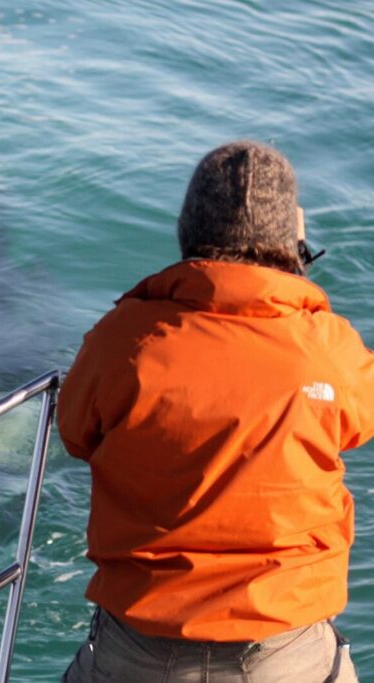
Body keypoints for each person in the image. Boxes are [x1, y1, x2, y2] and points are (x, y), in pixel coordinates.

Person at [58, 141, 371, 682]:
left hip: (138, 652)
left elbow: (74, 432)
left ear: (188, 230)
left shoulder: (125, 339)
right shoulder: (328, 346)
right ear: (291, 239)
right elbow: (357, 423)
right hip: (287, 652)